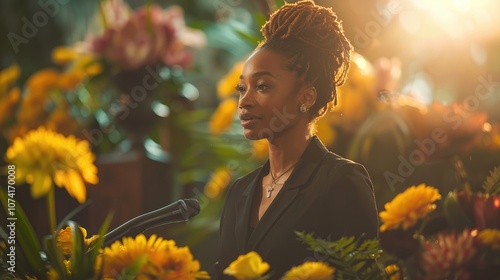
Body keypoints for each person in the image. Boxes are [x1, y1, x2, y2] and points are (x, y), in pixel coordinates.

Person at [213, 1, 379, 278]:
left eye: (263, 86)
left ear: (307, 97)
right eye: (242, 88)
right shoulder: (239, 192)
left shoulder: (341, 182)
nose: (244, 101)